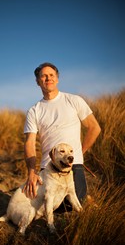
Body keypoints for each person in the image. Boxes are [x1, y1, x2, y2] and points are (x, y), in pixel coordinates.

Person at [23, 62, 101, 204]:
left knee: (77, 202)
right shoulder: (34, 110)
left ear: (57, 79)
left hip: (73, 164)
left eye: (51, 75)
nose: (48, 78)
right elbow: (29, 142)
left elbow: (94, 127)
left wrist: (79, 152)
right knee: (46, 205)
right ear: (37, 81)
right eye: (44, 76)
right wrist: (31, 172)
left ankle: (85, 200)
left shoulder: (74, 100)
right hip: (48, 167)